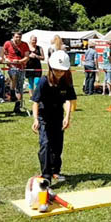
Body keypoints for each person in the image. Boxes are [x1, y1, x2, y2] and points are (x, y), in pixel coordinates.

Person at [31, 50, 76, 184]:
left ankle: (55, 171)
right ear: (51, 68)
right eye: (57, 70)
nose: (59, 73)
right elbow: (35, 101)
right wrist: (35, 119)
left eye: (62, 71)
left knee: (57, 145)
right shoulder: (44, 81)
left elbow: (68, 100)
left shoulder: (66, 81)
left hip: (58, 117)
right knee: (45, 144)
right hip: (44, 117)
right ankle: (46, 176)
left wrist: (67, 117)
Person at [4, 31, 29, 114]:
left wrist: (19, 61)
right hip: (11, 67)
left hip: (21, 67)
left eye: (20, 37)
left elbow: (26, 57)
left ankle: (17, 106)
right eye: (16, 37)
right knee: (13, 74)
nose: (18, 39)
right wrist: (6, 59)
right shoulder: (7, 43)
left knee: (20, 88)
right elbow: (4, 54)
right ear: (13, 37)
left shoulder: (24, 44)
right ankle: (11, 92)